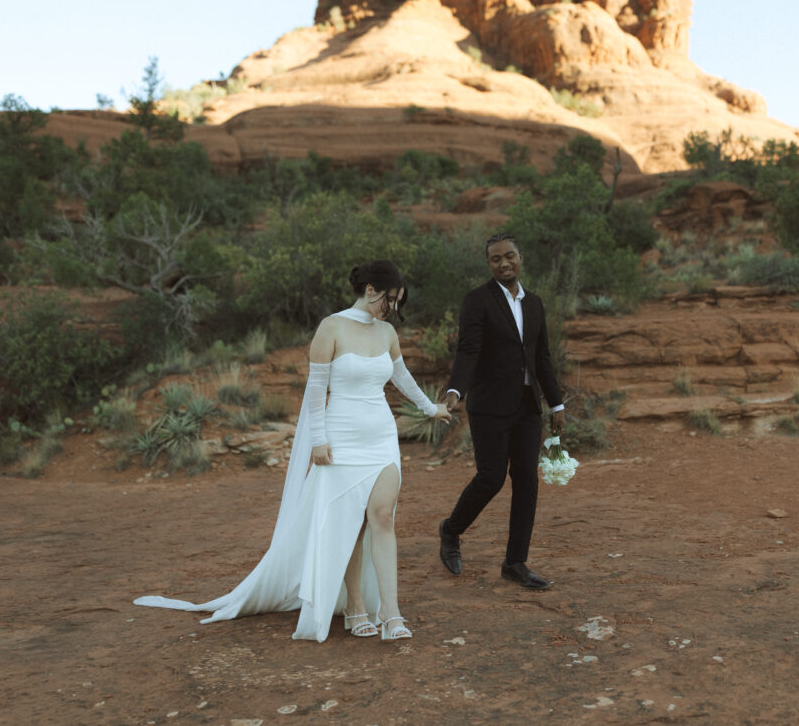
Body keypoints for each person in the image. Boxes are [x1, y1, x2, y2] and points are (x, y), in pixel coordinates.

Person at [134, 260, 451, 641]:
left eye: (397, 302)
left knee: (382, 516)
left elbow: (401, 377)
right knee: (352, 525)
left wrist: (430, 409)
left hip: (381, 439)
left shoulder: (386, 332)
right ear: (370, 290)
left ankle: (392, 612)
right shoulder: (331, 327)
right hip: (341, 438)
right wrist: (318, 439)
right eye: (390, 300)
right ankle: (355, 605)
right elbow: (316, 391)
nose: (393, 309)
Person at [438, 233, 564, 590]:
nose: (504, 263)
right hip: (490, 406)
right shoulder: (477, 301)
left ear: (521, 257)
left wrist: (556, 404)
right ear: (489, 264)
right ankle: (451, 530)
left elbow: (542, 359)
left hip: (527, 406)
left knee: (527, 480)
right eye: (496, 259)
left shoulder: (534, 304)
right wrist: (455, 389)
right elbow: (468, 351)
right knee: (491, 478)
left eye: (510, 256)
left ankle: (515, 562)